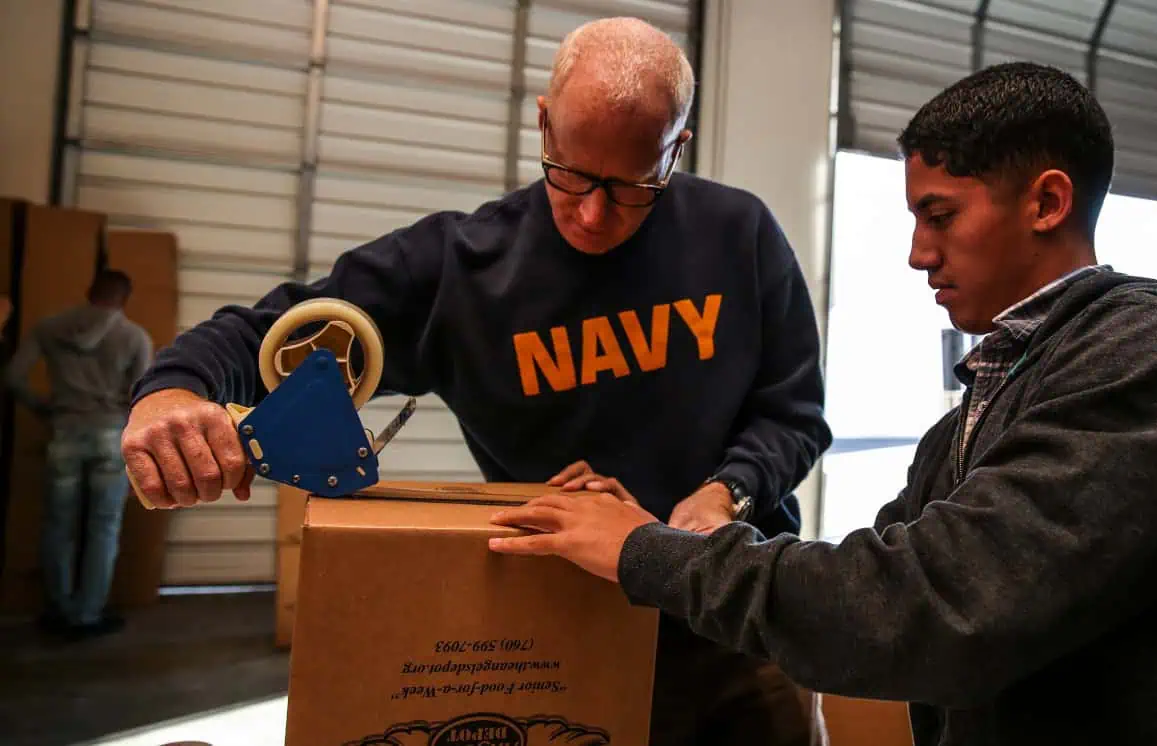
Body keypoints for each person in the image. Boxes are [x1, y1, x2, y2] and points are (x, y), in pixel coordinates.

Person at [487, 61, 1157, 744]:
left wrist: (644, 553)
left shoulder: (1153, 363)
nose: (917, 254)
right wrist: (664, 537)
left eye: (940, 216)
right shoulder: (973, 416)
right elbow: (859, 586)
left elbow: (927, 608)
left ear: (1047, 203)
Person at [120, 17, 832, 746]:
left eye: (629, 188)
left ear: (676, 147)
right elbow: (272, 330)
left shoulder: (737, 236)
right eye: (572, 175)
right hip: (560, 633)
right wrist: (173, 391)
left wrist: (725, 493)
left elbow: (796, 414)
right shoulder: (461, 271)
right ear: (545, 123)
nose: (592, 214)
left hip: (732, 631)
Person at [5, 269, 154, 639]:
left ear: (89, 292)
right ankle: (88, 613)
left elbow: (11, 377)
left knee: (58, 525)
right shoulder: (134, 336)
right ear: (124, 299)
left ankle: (59, 609)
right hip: (110, 435)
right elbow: (145, 395)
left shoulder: (49, 328)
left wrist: (44, 408)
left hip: (64, 432)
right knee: (104, 527)